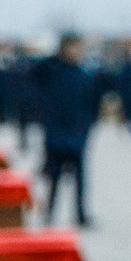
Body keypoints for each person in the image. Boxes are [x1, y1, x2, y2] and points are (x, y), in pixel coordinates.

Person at [37, 34, 104, 229]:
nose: (76, 52)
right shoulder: (52, 73)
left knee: (80, 179)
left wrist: (87, 127)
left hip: (77, 135)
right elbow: (34, 74)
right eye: (72, 47)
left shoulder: (84, 76)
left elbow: (92, 104)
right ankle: (49, 213)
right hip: (56, 135)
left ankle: (81, 214)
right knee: (54, 177)